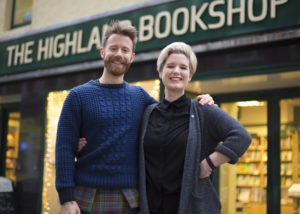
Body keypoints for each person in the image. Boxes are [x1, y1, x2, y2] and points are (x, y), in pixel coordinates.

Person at [56, 21, 215, 214]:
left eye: (125, 50)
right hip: (87, 197)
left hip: (131, 198)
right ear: (102, 52)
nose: (119, 54)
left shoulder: (140, 97)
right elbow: (64, 148)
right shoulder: (78, 96)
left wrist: (199, 104)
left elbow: (173, 117)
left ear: (131, 57)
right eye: (113, 48)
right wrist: (66, 199)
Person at [137, 42, 252, 214]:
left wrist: (209, 163)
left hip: (191, 207)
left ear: (190, 75)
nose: (176, 71)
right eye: (170, 66)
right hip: (151, 207)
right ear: (160, 72)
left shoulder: (203, 109)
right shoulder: (148, 113)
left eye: (183, 67)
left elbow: (241, 136)